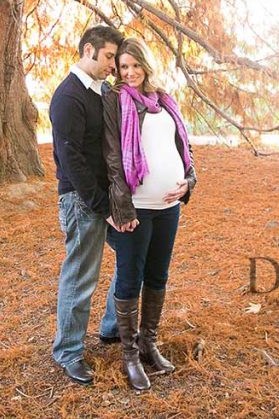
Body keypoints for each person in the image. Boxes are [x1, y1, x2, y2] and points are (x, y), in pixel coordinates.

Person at [102, 38, 196, 391]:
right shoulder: (115, 100)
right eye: (123, 67)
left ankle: (148, 344)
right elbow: (112, 157)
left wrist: (189, 181)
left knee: (158, 275)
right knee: (129, 278)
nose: (128, 73)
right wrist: (121, 207)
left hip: (169, 206)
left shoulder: (165, 101)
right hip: (136, 208)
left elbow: (184, 148)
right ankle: (128, 355)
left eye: (134, 65)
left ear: (145, 64)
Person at [49, 25, 125, 384]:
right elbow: (71, 158)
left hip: (107, 197)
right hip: (81, 200)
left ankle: (112, 326)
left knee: (130, 257)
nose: (113, 64)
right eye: (109, 56)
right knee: (81, 277)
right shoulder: (68, 96)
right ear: (89, 50)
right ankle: (67, 352)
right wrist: (101, 205)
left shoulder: (100, 91)